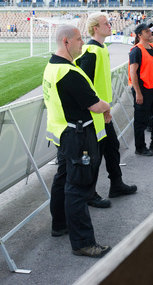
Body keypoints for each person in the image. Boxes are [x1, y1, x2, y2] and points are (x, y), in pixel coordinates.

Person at [43, 24, 112, 258]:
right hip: (77, 135)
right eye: (79, 39)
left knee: (62, 180)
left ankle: (59, 225)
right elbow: (94, 104)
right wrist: (107, 106)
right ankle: (83, 242)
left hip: (62, 133)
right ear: (66, 42)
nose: (83, 43)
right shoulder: (69, 72)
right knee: (78, 188)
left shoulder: (52, 67)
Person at [76, 13, 137, 209]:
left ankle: (116, 184)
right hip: (94, 114)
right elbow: (84, 87)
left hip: (103, 112)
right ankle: (90, 194)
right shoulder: (91, 52)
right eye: (106, 23)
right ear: (96, 28)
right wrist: (100, 109)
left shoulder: (100, 49)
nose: (110, 26)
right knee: (95, 156)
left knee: (111, 147)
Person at [129, 23, 153, 156]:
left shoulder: (152, 47)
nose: (150, 33)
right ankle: (140, 147)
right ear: (140, 35)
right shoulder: (136, 50)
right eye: (146, 31)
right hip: (143, 90)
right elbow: (133, 73)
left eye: (150, 31)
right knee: (141, 120)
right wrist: (138, 93)